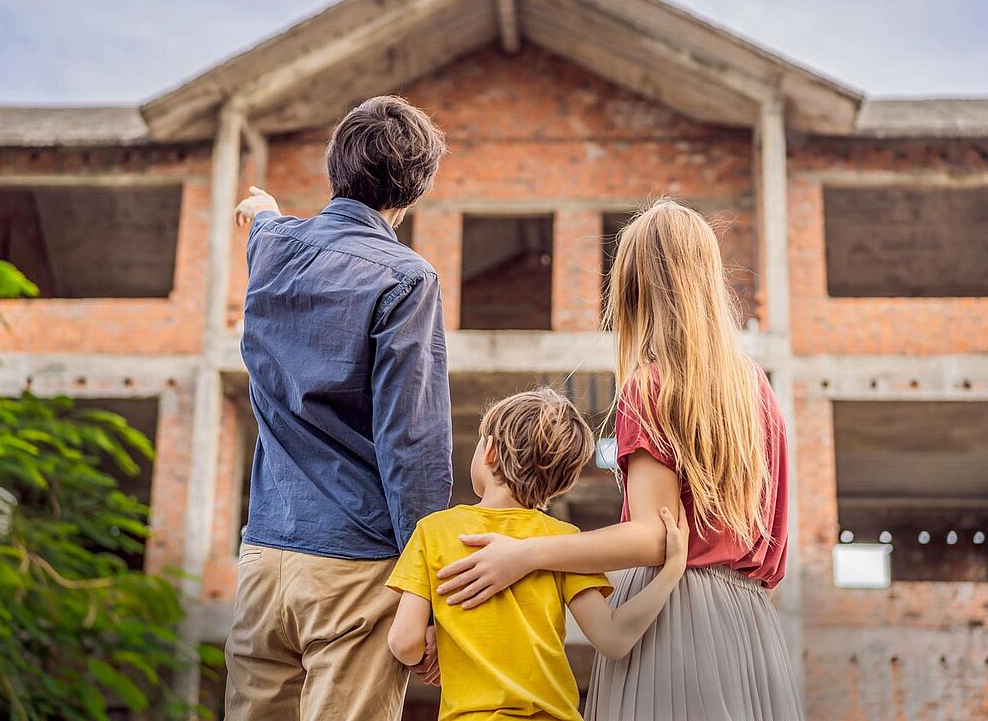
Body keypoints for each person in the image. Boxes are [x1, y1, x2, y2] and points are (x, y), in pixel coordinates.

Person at [435, 198, 803, 720]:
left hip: (672, 616)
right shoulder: (756, 387)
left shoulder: (651, 385)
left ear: (633, 288)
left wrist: (526, 552)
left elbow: (654, 535)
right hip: (748, 623)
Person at [226, 95, 453, 721]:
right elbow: (413, 446)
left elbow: (265, 220)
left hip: (264, 559)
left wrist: (262, 208)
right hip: (354, 566)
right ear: (410, 196)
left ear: (336, 168)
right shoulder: (406, 279)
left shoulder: (272, 250)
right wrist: (424, 589)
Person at [386, 388, 689, 721]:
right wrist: (672, 570)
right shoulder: (563, 542)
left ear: (488, 452)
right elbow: (613, 637)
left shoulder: (435, 531)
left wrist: (437, 650)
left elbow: (404, 640)